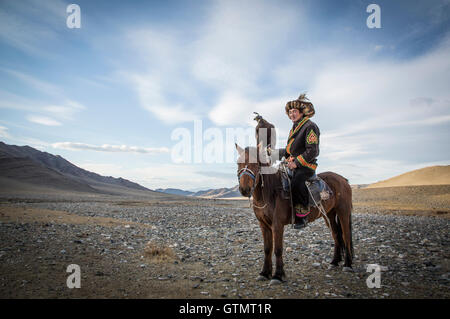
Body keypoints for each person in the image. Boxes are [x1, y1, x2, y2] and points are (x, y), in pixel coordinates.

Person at [275, 93, 320, 229]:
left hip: (306, 166)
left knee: (296, 182)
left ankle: (302, 216)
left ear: (301, 113)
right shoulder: (294, 128)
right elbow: (289, 151)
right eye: (290, 112)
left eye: (294, 111)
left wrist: (297, 162)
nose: (292, 114)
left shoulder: (310, 126)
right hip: (293, 165)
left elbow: (313, 150)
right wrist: (271, 153)